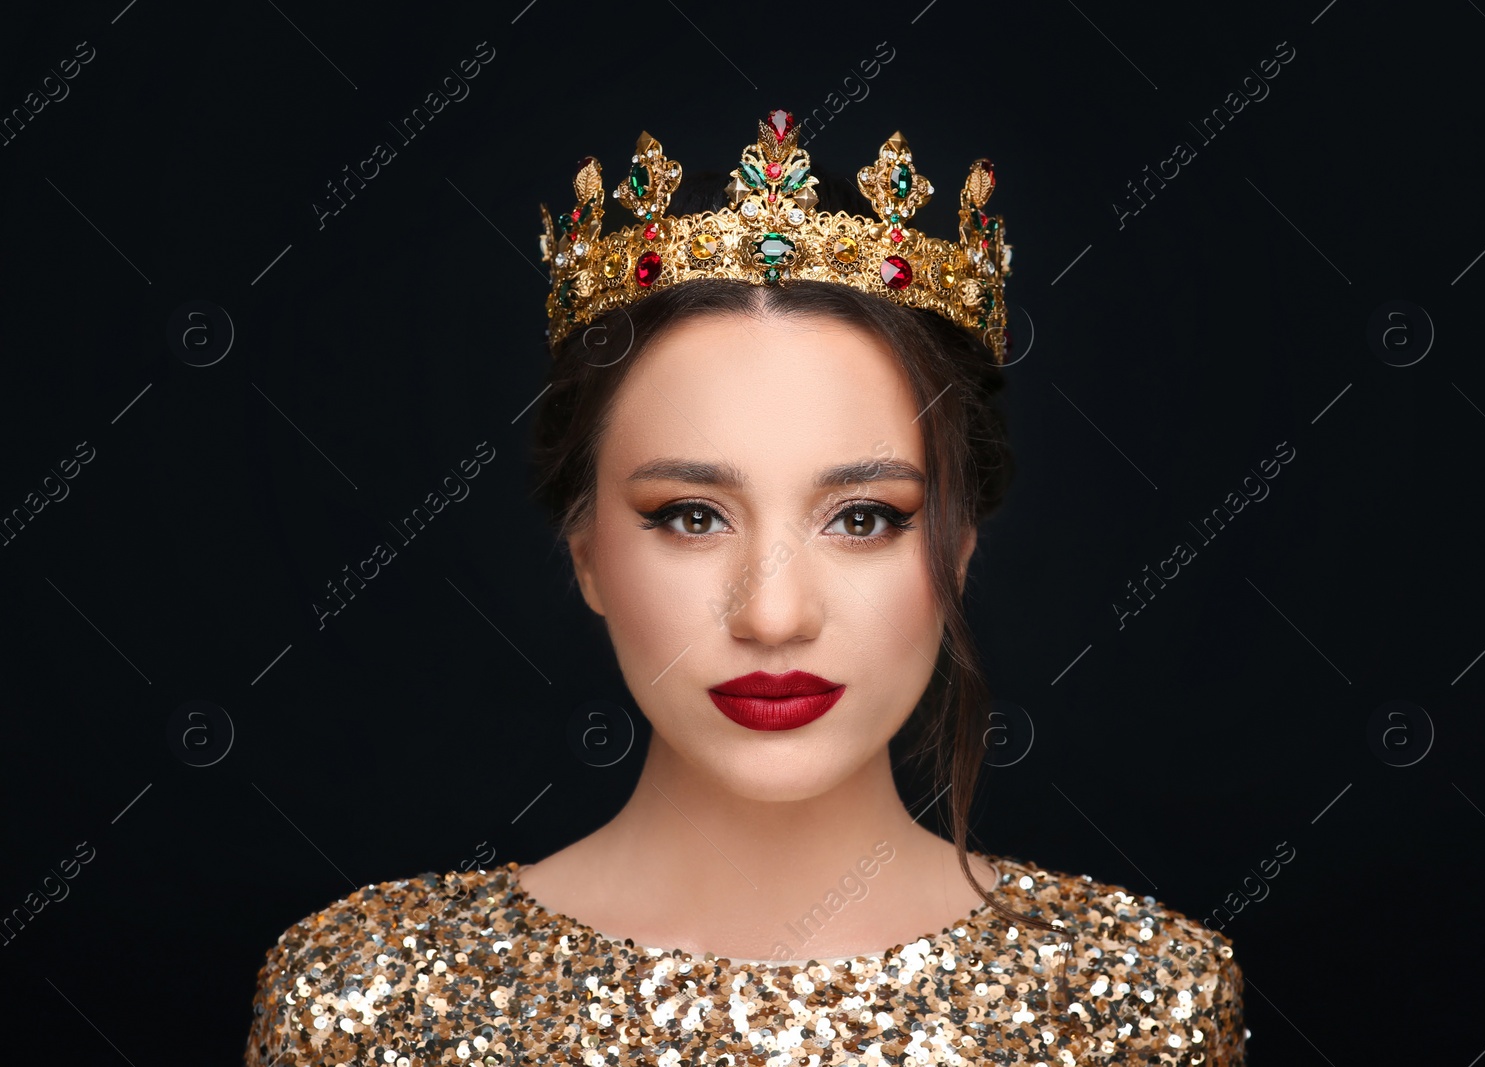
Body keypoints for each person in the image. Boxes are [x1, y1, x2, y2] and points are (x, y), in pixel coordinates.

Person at [243, 109, 1246, 1066]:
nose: (773, 614)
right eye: (690, 514)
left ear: (960, 547)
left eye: (864, 517)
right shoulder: (368, 999)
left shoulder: (1137, 1001)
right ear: (586, 548)